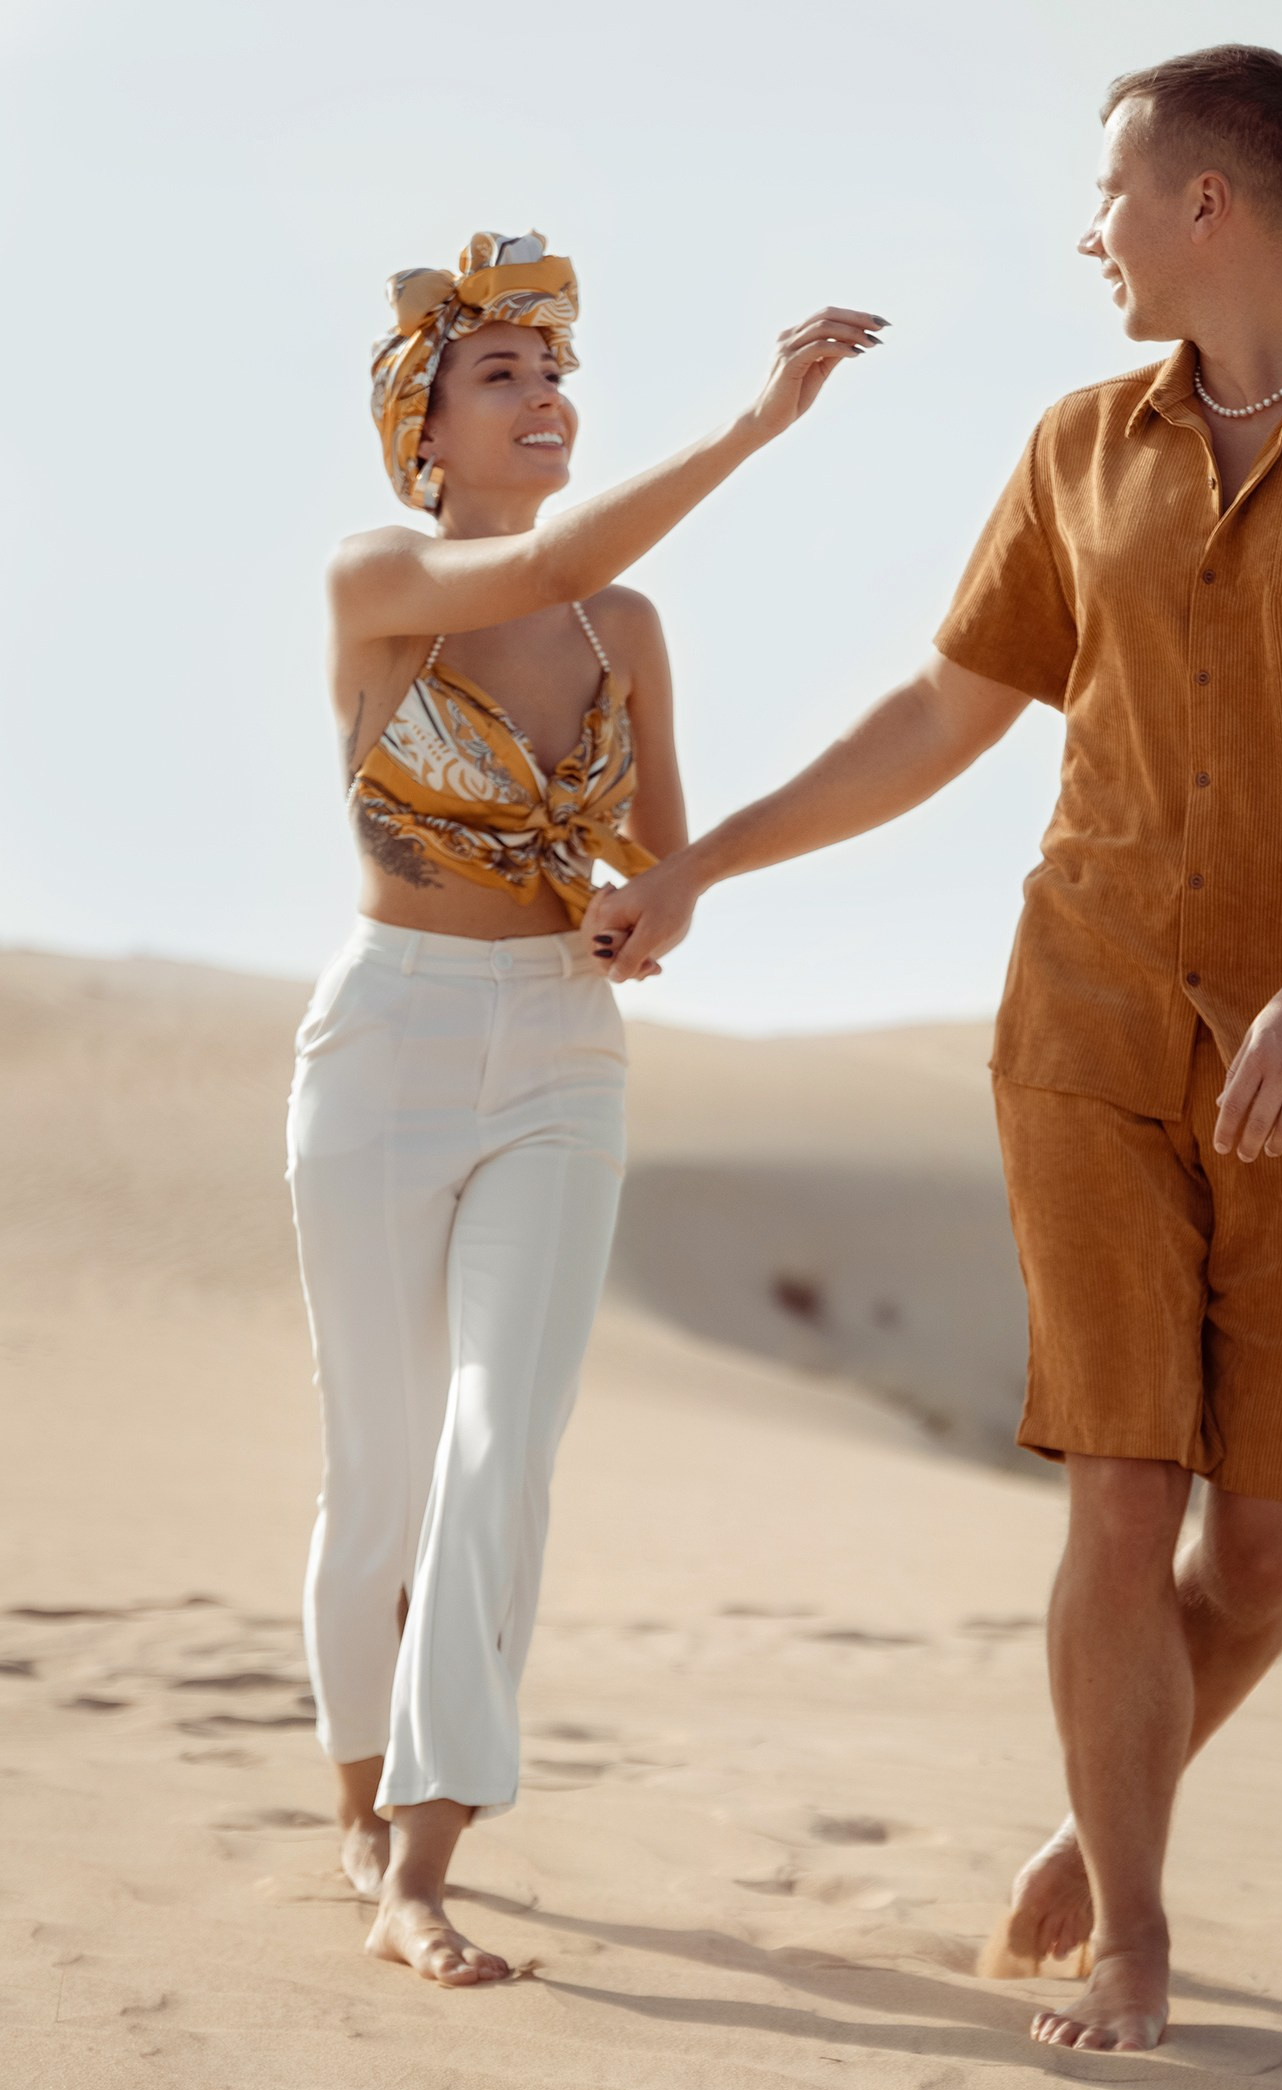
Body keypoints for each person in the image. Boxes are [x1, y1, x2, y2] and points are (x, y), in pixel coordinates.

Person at [587, 43, 1282, 2052]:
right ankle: (1134, 1932)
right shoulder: (1071, 446)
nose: (1086, 231)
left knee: (1263, 1554)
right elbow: (942, 719)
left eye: (1111, 192)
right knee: (1122, 1488)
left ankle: (1103, 1801)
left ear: (1213, 202)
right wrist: (704, 866)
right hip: (1088, 1018)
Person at [294, 230, 882, 1985]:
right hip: (387, 1042)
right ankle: (348, 1800)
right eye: (504, 376)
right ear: (429, 428)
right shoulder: (374, 579)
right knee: (376, 1468)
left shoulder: (625, 626)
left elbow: (659, 837)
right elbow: (545, 551)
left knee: (502, 1444)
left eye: (556, 372)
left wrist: (671, 892)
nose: (546, 396)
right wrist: (754, 430)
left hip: (559, 1050)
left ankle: (423, 1853)